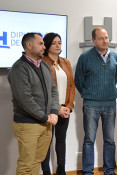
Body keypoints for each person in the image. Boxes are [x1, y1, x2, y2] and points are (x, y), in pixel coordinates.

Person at [7, 32, 59, 174]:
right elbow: (25, 99)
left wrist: (54, 112)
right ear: (29, 45)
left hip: (46, 123)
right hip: (28, 124)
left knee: (37, 161)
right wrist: (45, 117)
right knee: (26, 164)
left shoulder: (45, 66)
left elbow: (53, 90)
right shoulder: (19, 68)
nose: (44, 46)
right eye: (41, 43)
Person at [75, 27, 117, 175]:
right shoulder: (85, 57)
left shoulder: (115, 57)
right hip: (91, 104)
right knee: (89, 140)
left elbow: (115, 79)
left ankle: (109, 170)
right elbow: (79, 80)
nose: (105, 41)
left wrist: (106, 93)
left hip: (110, 103)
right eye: (101, 38)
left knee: (110, 140)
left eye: (106, 37)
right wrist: (89, 94)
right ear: (93, 40)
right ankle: (87, 172)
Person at [41, 33, 75, 175]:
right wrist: (58, 108)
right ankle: (46, 171)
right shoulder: (42, 63)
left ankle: (61, 170)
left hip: (65, 109)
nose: (58, 45)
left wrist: (68, 106)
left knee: (61, 140)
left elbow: (71, 85)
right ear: (47, 45)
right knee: (46, 142)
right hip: (49, 109)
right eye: (54, 43)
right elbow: (44, 89)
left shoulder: (65, 62)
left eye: (59, 42)